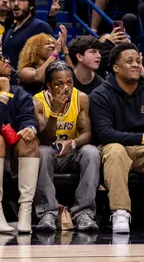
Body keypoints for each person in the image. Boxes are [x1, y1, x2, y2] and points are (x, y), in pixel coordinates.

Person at [90, 43, 144, 234]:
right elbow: (105, 133)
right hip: (118, 148)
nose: (136, 65)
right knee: (114, 150)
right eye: (129, 61)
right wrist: (143, 137)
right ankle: (120, 212)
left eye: (138, 61)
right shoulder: (100, 95)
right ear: (115, 68)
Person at [33, 62, 100, 232]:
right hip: (50, 153)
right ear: (49, 85)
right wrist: (54, 112)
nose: (66, 88)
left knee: (92, 152)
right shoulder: (38, 102)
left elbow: (87, 134)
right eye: (59, 84)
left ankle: (83, 213)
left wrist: (72, 143)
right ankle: (47, 213)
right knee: (42, 151)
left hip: (71, 152)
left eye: (69, 82)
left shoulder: (81, 98)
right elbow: (46, 138)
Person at [0, 54, 40, 233]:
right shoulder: (9, 92)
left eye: (8, 58)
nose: (7, 61)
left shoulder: (19, 92)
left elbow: (27, 117)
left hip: (13, 154)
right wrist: (3, 95)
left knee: (29, 142)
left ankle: (25, 211)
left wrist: (30, 128)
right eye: (1, 58)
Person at [3, 0, 53, 67]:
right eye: (12, 0)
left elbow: (51, 59)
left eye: (21, 0)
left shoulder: (40, 27)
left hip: (30, 78)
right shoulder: (11, 28)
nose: (16, 3)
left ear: (31, 6)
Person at [17, 28, 72, 96]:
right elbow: (38, 77)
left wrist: (64, 47)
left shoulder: (56, 68)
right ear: (35, 49)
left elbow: (72, 75)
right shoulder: (25, 70)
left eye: (53, 43)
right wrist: (55, 52)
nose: (52, 46)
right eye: (47, 43)